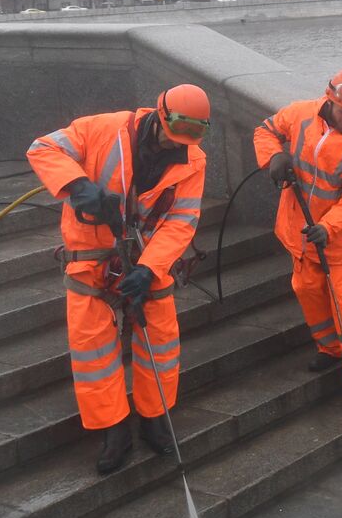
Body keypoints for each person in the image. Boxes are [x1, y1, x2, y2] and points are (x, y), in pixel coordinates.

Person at [26, 84, 210, 473]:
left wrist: (149, 268)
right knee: (94, 349)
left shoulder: (193, 159)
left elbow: (182, 220)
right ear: (160, 115)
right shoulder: (102, 129)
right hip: (91, 261)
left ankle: (155, 418)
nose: (172, 147)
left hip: (148, 258)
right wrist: (79, 186)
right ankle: (114, 429)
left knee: (159, 340)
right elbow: (42, 148)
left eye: (186, 140)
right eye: (170, 136)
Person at [254, 69, 342, 395]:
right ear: (329, 100)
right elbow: (265, 132)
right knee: (307, 288)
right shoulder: (300, 114)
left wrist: (327, 226)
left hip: (335, 238)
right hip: (298, 229)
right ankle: (330, 350)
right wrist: (275, 157)